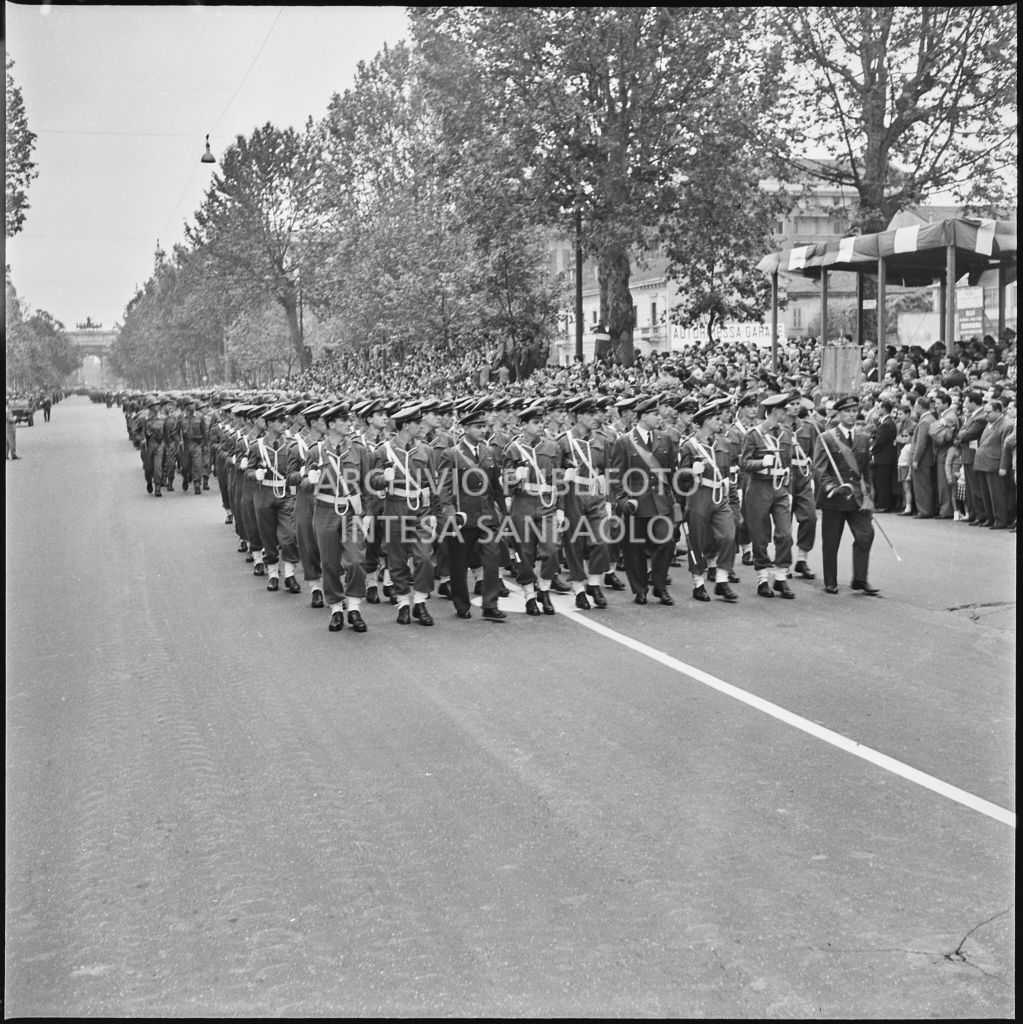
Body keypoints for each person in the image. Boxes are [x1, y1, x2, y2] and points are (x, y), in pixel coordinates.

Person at [367, 403, 440, 626]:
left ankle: (419, 601)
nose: (420, 426)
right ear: (405, 425)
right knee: (396, 559)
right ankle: (403, 603)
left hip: (420, 509)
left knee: (424, 557)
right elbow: (372, 480)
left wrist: (436, 513)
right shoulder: (383, 451)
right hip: (394, 507)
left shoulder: (425, 451)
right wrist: (384, 478)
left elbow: (432, 483)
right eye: (417, 423)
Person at [437, 398, 507, 622]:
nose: (482, 430)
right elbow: (443, 490)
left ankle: (490, 605)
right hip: (463, 517)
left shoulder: (489, 452)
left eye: (484, 426)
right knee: (459, 564)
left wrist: (503, 512)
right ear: (466, 429)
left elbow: (495, 487)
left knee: (492, 560)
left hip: (486, 515)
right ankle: (461, 603)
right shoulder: (452, 454)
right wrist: (450, 515)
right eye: (477, 426)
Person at [609, 395, 679, 605]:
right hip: (636, 503)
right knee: (634, 549)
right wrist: (623, 500)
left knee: (666, 543)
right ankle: (640, 589)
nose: (660, 417)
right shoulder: (624, 441)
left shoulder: (664, 439)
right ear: (643, 417)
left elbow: (670, 472)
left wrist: (674, 498)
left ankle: (659, 586)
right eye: (655, 414)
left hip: (660, 502)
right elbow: (617, 475)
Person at [308, 402, 370, 632]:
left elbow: (368, 484)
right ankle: (335, 608)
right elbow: (302, 482)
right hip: (325, 511)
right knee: (330, 563)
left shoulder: (359, 450)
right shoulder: (316, 451)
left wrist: (369, 513)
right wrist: (310, 479)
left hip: (352, 512)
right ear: (331, 424)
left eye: (349, 420)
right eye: (343, 420)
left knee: (356, 560)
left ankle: (354, 606)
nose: (348, 424)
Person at [502, 401, 565, 615]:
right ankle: (529, 594)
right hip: (523, 503)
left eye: (542, 422)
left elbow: (559, 480)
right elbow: (505, 479)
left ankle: (544, 590)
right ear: (524, 425)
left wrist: (561, 508)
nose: (540, 426)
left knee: (553, 549)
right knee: (525, 552)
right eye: (535, 422)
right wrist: (513, 477)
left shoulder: (552, 447)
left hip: (547, 503)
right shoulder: (513, 448)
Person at [812, 395, 879, 596]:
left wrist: (869, 495)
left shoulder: (863, 438)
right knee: (831, 542)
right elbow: (819, 469)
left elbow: (866, 471)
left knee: (866, 534)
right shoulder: (826, 438)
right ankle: (830, 581)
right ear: (838, 414)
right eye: (846, 412)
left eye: (853, 411)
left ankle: (860, 579)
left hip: (858, 498)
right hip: (835, 498)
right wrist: (832, 487)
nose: (851, 415)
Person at [677, 398, 738, 602]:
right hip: (699, 495)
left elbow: (728, 472)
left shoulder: (724, 443)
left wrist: (731, 494)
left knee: (728, 535)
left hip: (720, 495)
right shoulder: (689, 446)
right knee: (698, 540)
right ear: (702, 423)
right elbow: (679, 476)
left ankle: (721, 580)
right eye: (712, 418)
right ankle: (698, 582)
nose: (718, 421)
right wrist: (689, 471)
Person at [556, 396, 612, 610]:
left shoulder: (601, 441)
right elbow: (556, 476)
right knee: (574, 542)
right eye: (589, 414)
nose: (595, 417)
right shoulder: (563, 441)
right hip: (573, 494)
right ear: (577, 416)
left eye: (595, 413)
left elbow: (607, 472)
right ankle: (579, 588)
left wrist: (608, 500)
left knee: (602, 540)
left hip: (596, 494)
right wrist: (560, 507)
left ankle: (594, 583)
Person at [739, 392, 796, 599]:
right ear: (773, 411)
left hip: (780, 488)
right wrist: (762, 462)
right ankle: (763, 578)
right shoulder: (753, 434)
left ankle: (780, 577)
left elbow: (789, 464)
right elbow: (744, 464)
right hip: (759, 488)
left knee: (785, 533)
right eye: (782, 410)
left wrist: (789, 491)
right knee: (760, 536)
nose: (786, 413)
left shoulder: (787, 433)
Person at [251, 404, 302, 593]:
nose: (284, 424)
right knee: (268, 536)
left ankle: (289, 574)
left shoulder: (290, 445)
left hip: (286, 495)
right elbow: (248, 469)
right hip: (264, 494)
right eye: (279, 421)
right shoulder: (257, 447)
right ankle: (273, 573)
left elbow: (297, 468)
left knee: (289, 535)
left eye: (284, 420)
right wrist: (254, 473)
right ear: (269, 423)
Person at [974, 399, 1014, 529]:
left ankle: (1000, 520)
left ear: (998, 411)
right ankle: (990, 518)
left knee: (997, 495)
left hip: (994, 463)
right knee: (986, 494)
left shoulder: (1006, 425)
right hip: (983, 462)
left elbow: (1005, 448)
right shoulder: (990, 423)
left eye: (988, 412)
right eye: (985, 412)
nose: (986, 415)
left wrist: (1003, 466)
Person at [955, 390, 989, 524]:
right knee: (969, 488)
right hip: (967, 454)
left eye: (966, 401)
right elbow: (961, 433)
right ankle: (972, 513)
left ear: (973, 403)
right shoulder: (971, 416)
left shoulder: (980, 417)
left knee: (976, 488)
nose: (964, 404)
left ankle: (980, 515)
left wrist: (962, 433)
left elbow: (967, 434)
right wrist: (962, 433)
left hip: (974, 455)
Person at [930, 390, 959, 518]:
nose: (935, 405)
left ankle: (946, 510)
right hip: (941, 452)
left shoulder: (950, 417)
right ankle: (944, 509)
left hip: (946, 452)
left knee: (944, 483)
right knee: (941, 483)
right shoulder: (942, 416)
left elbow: (943, 436)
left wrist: (934, 428)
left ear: (946, 404)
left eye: (938, 403)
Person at [909, 395, 937, 517]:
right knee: (926, 485)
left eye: (915, 406)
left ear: (920, 407)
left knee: (922, 486)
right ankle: (927, 509)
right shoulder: (930, 418)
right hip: (927, 458)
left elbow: (921, 443)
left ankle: (924, 510)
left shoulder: (925, 421)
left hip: (923, 460)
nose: (914, 408)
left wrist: (916, 459)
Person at [869, 397, 898, 512]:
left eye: (880, 407)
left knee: (883, 482)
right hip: (883, 457)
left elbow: (880, 441)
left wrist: (872, 450)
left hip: (883, 457)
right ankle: (882, 503)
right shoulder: (885, 422)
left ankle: (884, 505)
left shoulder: (886, 424)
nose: (878, 409)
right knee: (881, 481)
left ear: (885, 409)